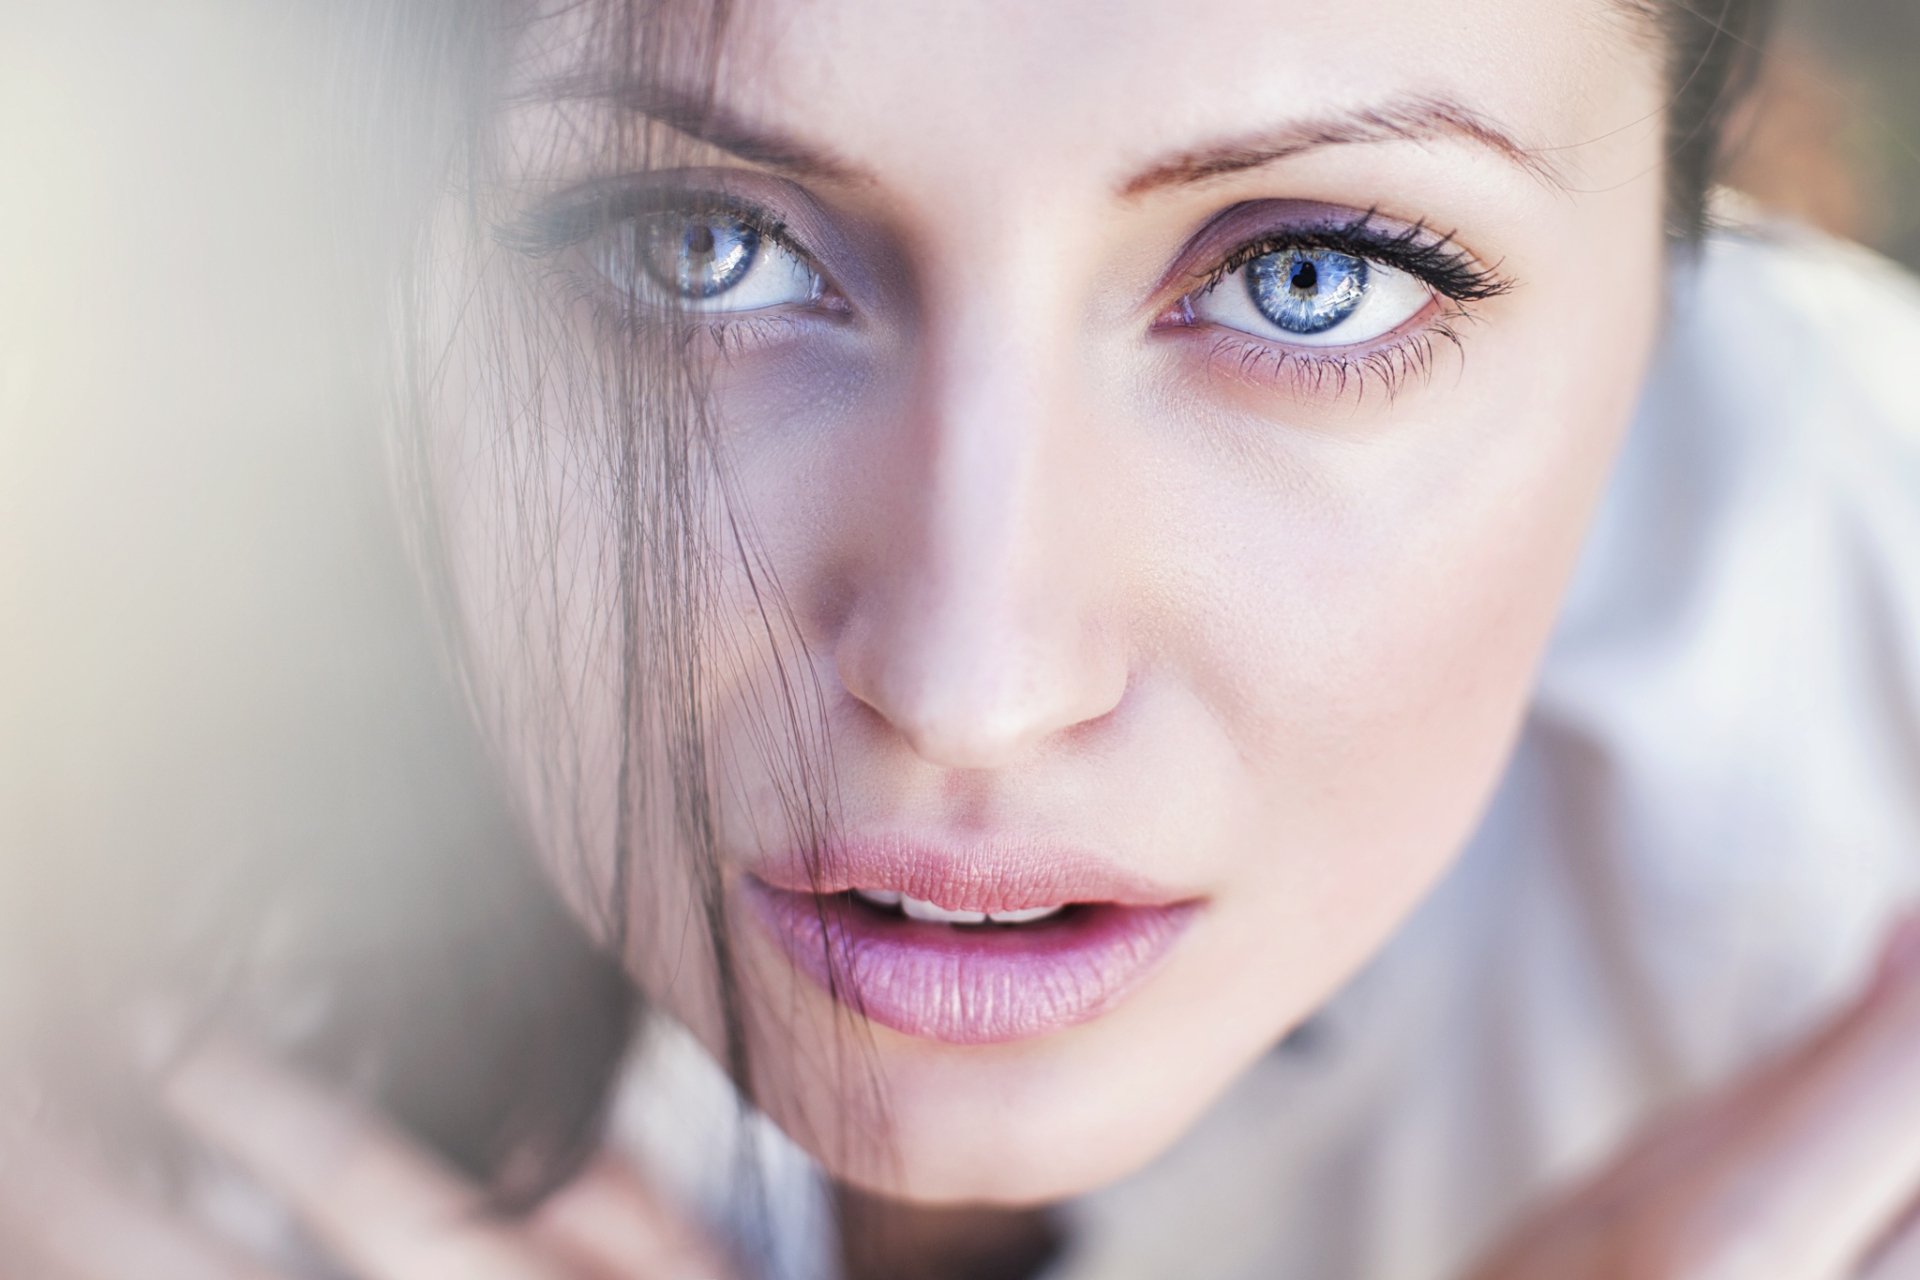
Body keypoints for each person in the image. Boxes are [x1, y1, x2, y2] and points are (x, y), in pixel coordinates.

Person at [4, 0, 1920, 1276]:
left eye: (1306, 276)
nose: (968, 686)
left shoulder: (1859, 689)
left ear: (1676, 281)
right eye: (693, 244)